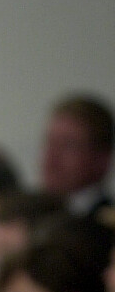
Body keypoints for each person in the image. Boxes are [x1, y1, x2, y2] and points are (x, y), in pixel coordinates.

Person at [38, 93, 113, 225]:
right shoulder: (32, 218)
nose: (52, 156)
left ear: (102, 158)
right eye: (50, 143)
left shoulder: (107, 225)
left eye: (68, 145)